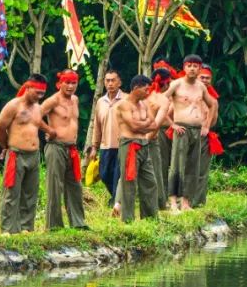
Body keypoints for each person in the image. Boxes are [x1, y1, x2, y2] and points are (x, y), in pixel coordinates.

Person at [0, 74, 55, 234]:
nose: (40, 96)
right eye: (37, 92)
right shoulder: (13, 105)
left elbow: (36, 122)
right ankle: (7, 229)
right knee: (11, 193)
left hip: (34, 155)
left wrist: (49, 130)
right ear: (28, 88)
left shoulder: (37, 107)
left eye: (42, 93)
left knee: (30, 193)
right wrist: (6, 146)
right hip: (16, 153)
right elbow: (0, 129)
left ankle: (26, 228)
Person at [164, 54, 218, 211]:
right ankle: (173, 202)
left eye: (196, 66)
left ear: (199, 69)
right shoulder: (176, 84)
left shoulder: (201, 87)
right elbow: (160, 101)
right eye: (189, 65)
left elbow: (212, 104)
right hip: (181, 129)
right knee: (177, 165)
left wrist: (206, 125)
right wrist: (171, 124)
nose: (192, 68)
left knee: (193, 166)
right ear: (184, 67)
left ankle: (186, 202)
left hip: (197, 130)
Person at [40, 69, 86, 230]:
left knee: (75, 185)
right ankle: (53, 225)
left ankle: (78, 222)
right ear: (60, 83)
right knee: (55, 186)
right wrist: (48, 130)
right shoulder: (52, 101)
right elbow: (35, 116)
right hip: (56, 147)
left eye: (74, 83)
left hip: (71, 149)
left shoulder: (75, 100)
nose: (71, 86)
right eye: (67, 82)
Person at [113, 74, 160, 223]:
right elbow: (133, 126)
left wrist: (142, 126)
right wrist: (145, 124)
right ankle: (127, 220)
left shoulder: (144, 104)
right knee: (129, 183)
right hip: (129, 145)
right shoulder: (123, 105)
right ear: (136, 88)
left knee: (150, 182)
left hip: (144, 145)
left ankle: (150, 218)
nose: (148, 92)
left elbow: (154, 125)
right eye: (146, 89)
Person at [85, 69, 125, 207]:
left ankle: (116, 201)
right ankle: (115, 197)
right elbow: (97, 125)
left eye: (113, 80)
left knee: (118, 175)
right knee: (104, 173)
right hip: (105, 145)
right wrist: (94, 147)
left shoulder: (127, 99)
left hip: (122, 145)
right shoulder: (101, 102)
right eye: (107, 80)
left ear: (119, 82)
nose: (110, 83)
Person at [145, 67, 174, 211]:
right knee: (157, 170)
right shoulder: (162, 100)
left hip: (137, 137)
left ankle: (119, 203)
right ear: (166, 83)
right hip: (150, 138)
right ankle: (161, 203)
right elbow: (157, 124)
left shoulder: (144, 95)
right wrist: (147, 139)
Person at [194, 64, 223, 207]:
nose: (205, 80)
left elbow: (214, 120)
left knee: (202, 170)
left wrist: (205, 125)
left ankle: (198, 201)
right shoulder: (186, 93)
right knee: (185, 168)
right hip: (188, 134)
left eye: (208, 78)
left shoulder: (213, 99)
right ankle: (181, 200)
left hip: (204, 136)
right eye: (202, 77)